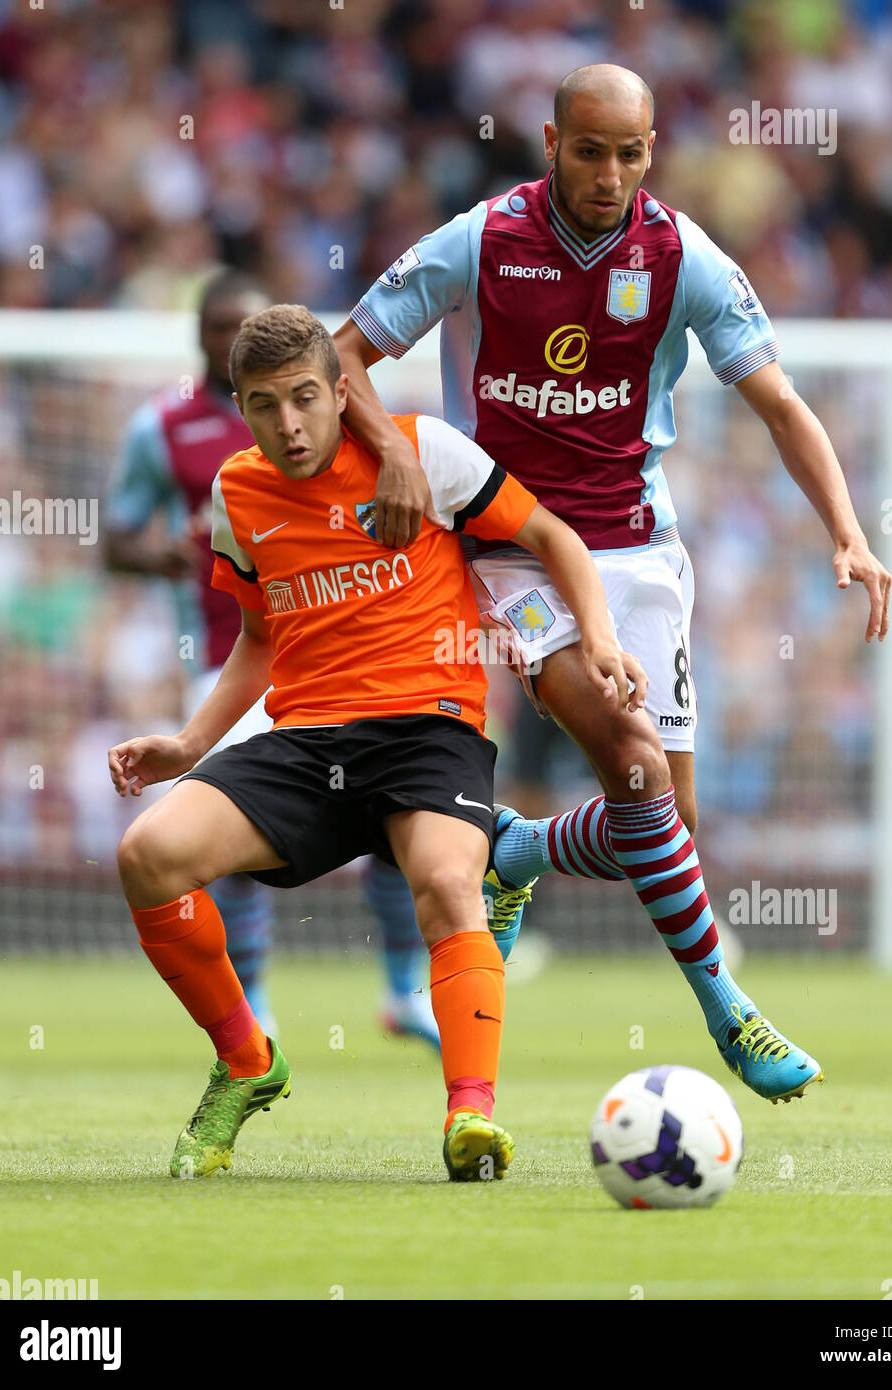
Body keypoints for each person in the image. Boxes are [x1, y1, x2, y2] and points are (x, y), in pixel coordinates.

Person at [334, 63, 892, 1103]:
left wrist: (849, 532)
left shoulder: (682, 258)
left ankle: (518, 849)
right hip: (513, 548)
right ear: (550, 145)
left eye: (629, 153)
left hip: (642, 549)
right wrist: (399, 455)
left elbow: (781, 405)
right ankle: (731, 1008)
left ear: (650, 152)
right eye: (588, 150)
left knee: (664, 817)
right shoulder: (481, 241)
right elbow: (342, 355)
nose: (608, 173)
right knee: (631, 764)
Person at [107, 304, 646, 1180]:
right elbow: (256, 636)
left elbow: (553, 536)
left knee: (443, 884)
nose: (288, 425)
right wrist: (190, 743)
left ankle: (468, 1117)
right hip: (306, 740)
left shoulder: (424, 453)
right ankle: (248, 1060)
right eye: (264, 404)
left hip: (428, 729)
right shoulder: (235, 493)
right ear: (239, 406)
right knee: (147, 856)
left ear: (338, 390)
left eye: (305, 398)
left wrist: (598, 638)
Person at [104, 270, 441, 1047]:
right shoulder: (161, 429)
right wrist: (171, 554)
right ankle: (253, 999)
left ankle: (401, 989)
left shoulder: (334, 417)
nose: (231, 336)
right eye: (219, 327)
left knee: (396, 818)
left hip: (341, 663)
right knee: (230, 833)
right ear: (202, 341)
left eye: (244, 323)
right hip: (227, 654)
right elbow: (117, 535)